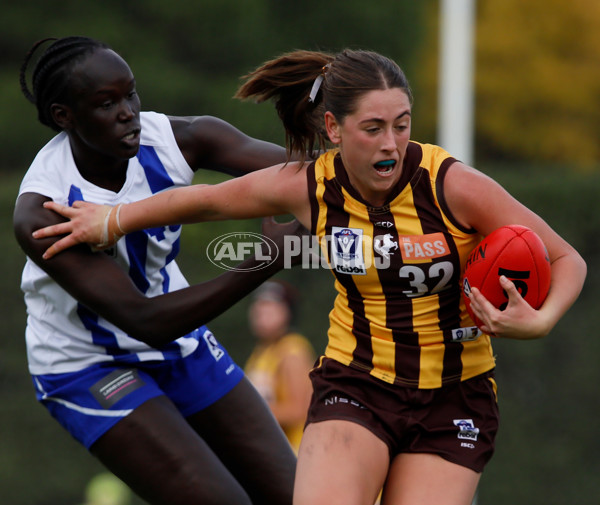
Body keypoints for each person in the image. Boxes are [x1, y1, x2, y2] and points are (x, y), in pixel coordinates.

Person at [33, 49, 587, 505]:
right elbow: (204, 201)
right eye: (372, 128)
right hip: (359, 385)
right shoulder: (311, 186)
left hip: (455, 399)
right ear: (333, 127)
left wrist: (539, 321)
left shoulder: (454, 186)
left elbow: (567, 259)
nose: (391, 143)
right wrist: (110, 219)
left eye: (401, 125)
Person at [13, 36, 304, 505]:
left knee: (298, 495)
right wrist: (266, 260)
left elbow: (311, 176)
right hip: (88, 367)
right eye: (106, 103)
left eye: (130, 94)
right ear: (64, 116)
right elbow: (144, 320)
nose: (129, 112)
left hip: (182, 344)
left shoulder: (180, 138)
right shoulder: (43, 211)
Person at [244, 280, 315, 453]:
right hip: (273, 450)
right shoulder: (262, 351)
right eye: (259, 305)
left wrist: (244, 414)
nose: (261, 311)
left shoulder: (293, 350)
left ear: (287, 312)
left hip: (295, 452)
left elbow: (298, 410)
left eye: (270, 306)